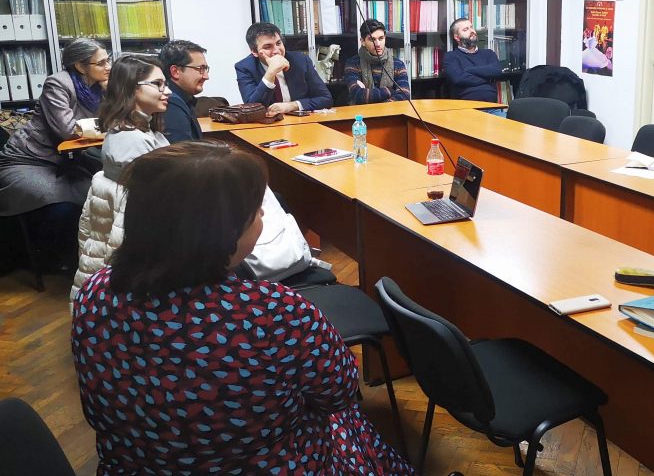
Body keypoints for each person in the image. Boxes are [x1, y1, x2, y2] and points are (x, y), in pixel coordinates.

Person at [71, 141, 414, 474]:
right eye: (254, 210)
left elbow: (97, 408)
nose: (263, 214)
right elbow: (339, 393)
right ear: (222, 231)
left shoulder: (95, 292)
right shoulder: (276, 313)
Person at [0, 38, 109, 267]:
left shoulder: (100, 87)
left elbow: (114, 121)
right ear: (80, 66)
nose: (108, 67)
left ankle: (81, 258)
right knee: (62, 203)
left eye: (108, 61)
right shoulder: (58, 83)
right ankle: (52, 259)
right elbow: (67, 130)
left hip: (66, 160)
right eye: (101, 63)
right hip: (28, 160)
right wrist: (104, 126)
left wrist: (110, 95)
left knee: (97, 195)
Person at [73, 54, 170, 303]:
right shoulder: (130, 140)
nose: (167, 91)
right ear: (131, 88)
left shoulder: (139, 129)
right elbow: (159, 195)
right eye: (158, 84)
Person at [234, 22, 332, 116]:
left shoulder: (301, 61)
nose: (277, 51)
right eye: (268, 47)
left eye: (278, 43)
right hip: (267, 125)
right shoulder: (244, 67)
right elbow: (251, 109)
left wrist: (292, 106)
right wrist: (271, 72)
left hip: (301, 122)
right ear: (254, 52)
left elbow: (326, 99)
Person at [344, 19, 410, 104]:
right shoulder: (353, 64)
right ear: (363, 42)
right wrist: (390, 91)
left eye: (381, 38)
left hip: (390, 111)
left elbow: (404, 95)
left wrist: (372, 98)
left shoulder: (398, 64)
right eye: (372, 39)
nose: (378, 44)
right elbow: (358, 95)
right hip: (362, 112)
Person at [443, 17, 505, 102]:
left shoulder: (489, 53)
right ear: (457, 37)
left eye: (471, 27)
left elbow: (497, 71)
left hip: (492, 106)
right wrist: (488, 78)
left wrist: (468, 70)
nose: (471, 31)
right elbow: (458, 79)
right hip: (466, 107)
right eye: (466, 29)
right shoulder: (451, 57)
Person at [159, 39, 209, 143]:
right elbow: (182, 150)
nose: (206, 76)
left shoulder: (183, 99)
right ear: (175, 71)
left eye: (206, 69)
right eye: (200, 69)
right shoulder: (171, 103)